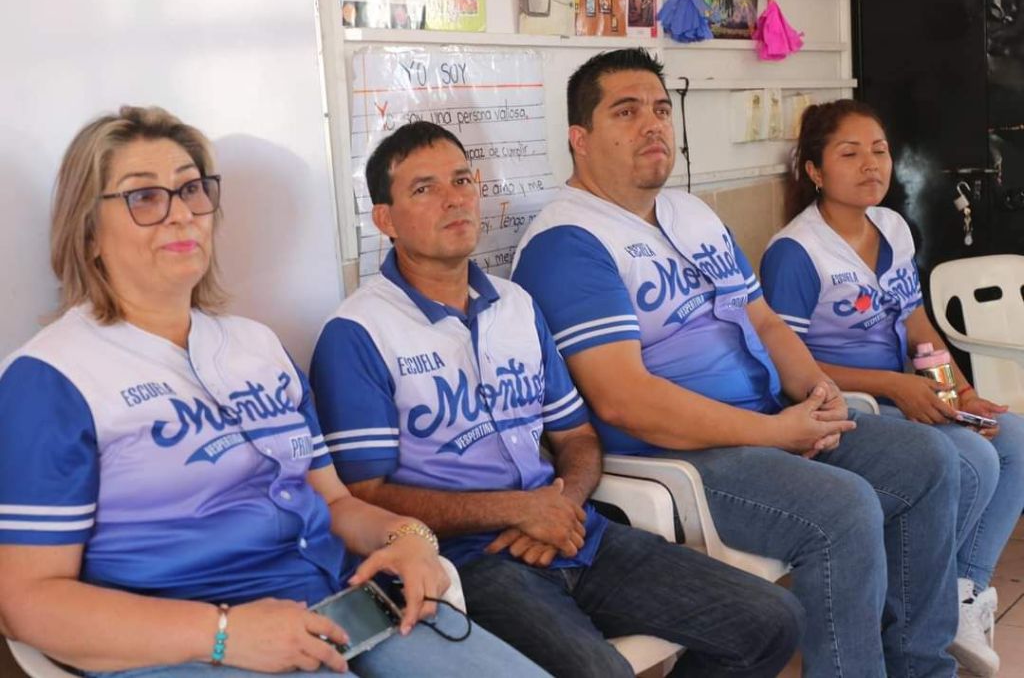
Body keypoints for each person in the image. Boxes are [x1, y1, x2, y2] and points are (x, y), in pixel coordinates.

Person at [0, 106, 546, 678]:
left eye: (191, 190)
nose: (180, 214)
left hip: (340, 609)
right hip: (193, 645)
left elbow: (334, 504)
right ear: (88, 231)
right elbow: (23, 601)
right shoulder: (51, 379)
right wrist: (223, 633)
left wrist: (407, 537)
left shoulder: (256, 347)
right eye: (144, 197)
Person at [510, 48, 961, 678]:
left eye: (661, 110)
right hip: (681, 456)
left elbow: (765, 321)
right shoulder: (568, 242)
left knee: (930, 461)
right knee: (844, 508)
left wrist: (818, 390)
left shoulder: (690, 212)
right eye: (627, 111)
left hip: (765, 419)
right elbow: (625, 401)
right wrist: (777, 432)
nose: (652, 125)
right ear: (579, 139)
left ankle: (920, 667)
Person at [309, 120, 804, 678]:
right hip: (471, 562)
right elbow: (365, 495)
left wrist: (560, 505)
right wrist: (518, 511)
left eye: (462, 180)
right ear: (385, 219)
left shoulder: (516, 305)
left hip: (575, 533)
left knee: (772, 621)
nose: (453, 199)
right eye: (424, 189)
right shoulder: (358, 333)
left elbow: (576, 436)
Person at [760, 97, 1024, 677]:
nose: (870, 165)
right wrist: (894, 386)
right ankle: (919, 605)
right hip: (848, 407)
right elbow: (785, 367)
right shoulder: (796, 253)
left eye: (879, 151)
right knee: (974, 459)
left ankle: (957, 593)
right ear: (814, 170)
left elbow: (917, 326)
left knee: (1012, 438)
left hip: (905, 394)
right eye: (849, 153)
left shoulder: (893, 227)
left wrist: (958, 394)